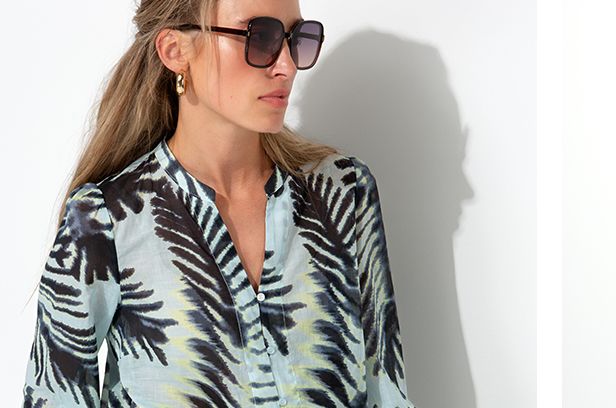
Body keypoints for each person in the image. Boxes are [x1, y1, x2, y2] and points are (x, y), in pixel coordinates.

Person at [20, 0, 411, 406]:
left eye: (297, 39)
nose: (287, 66)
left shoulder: (343, 193)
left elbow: (387, 390)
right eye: (260, 37)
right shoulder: (106, 220)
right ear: (176, 50)